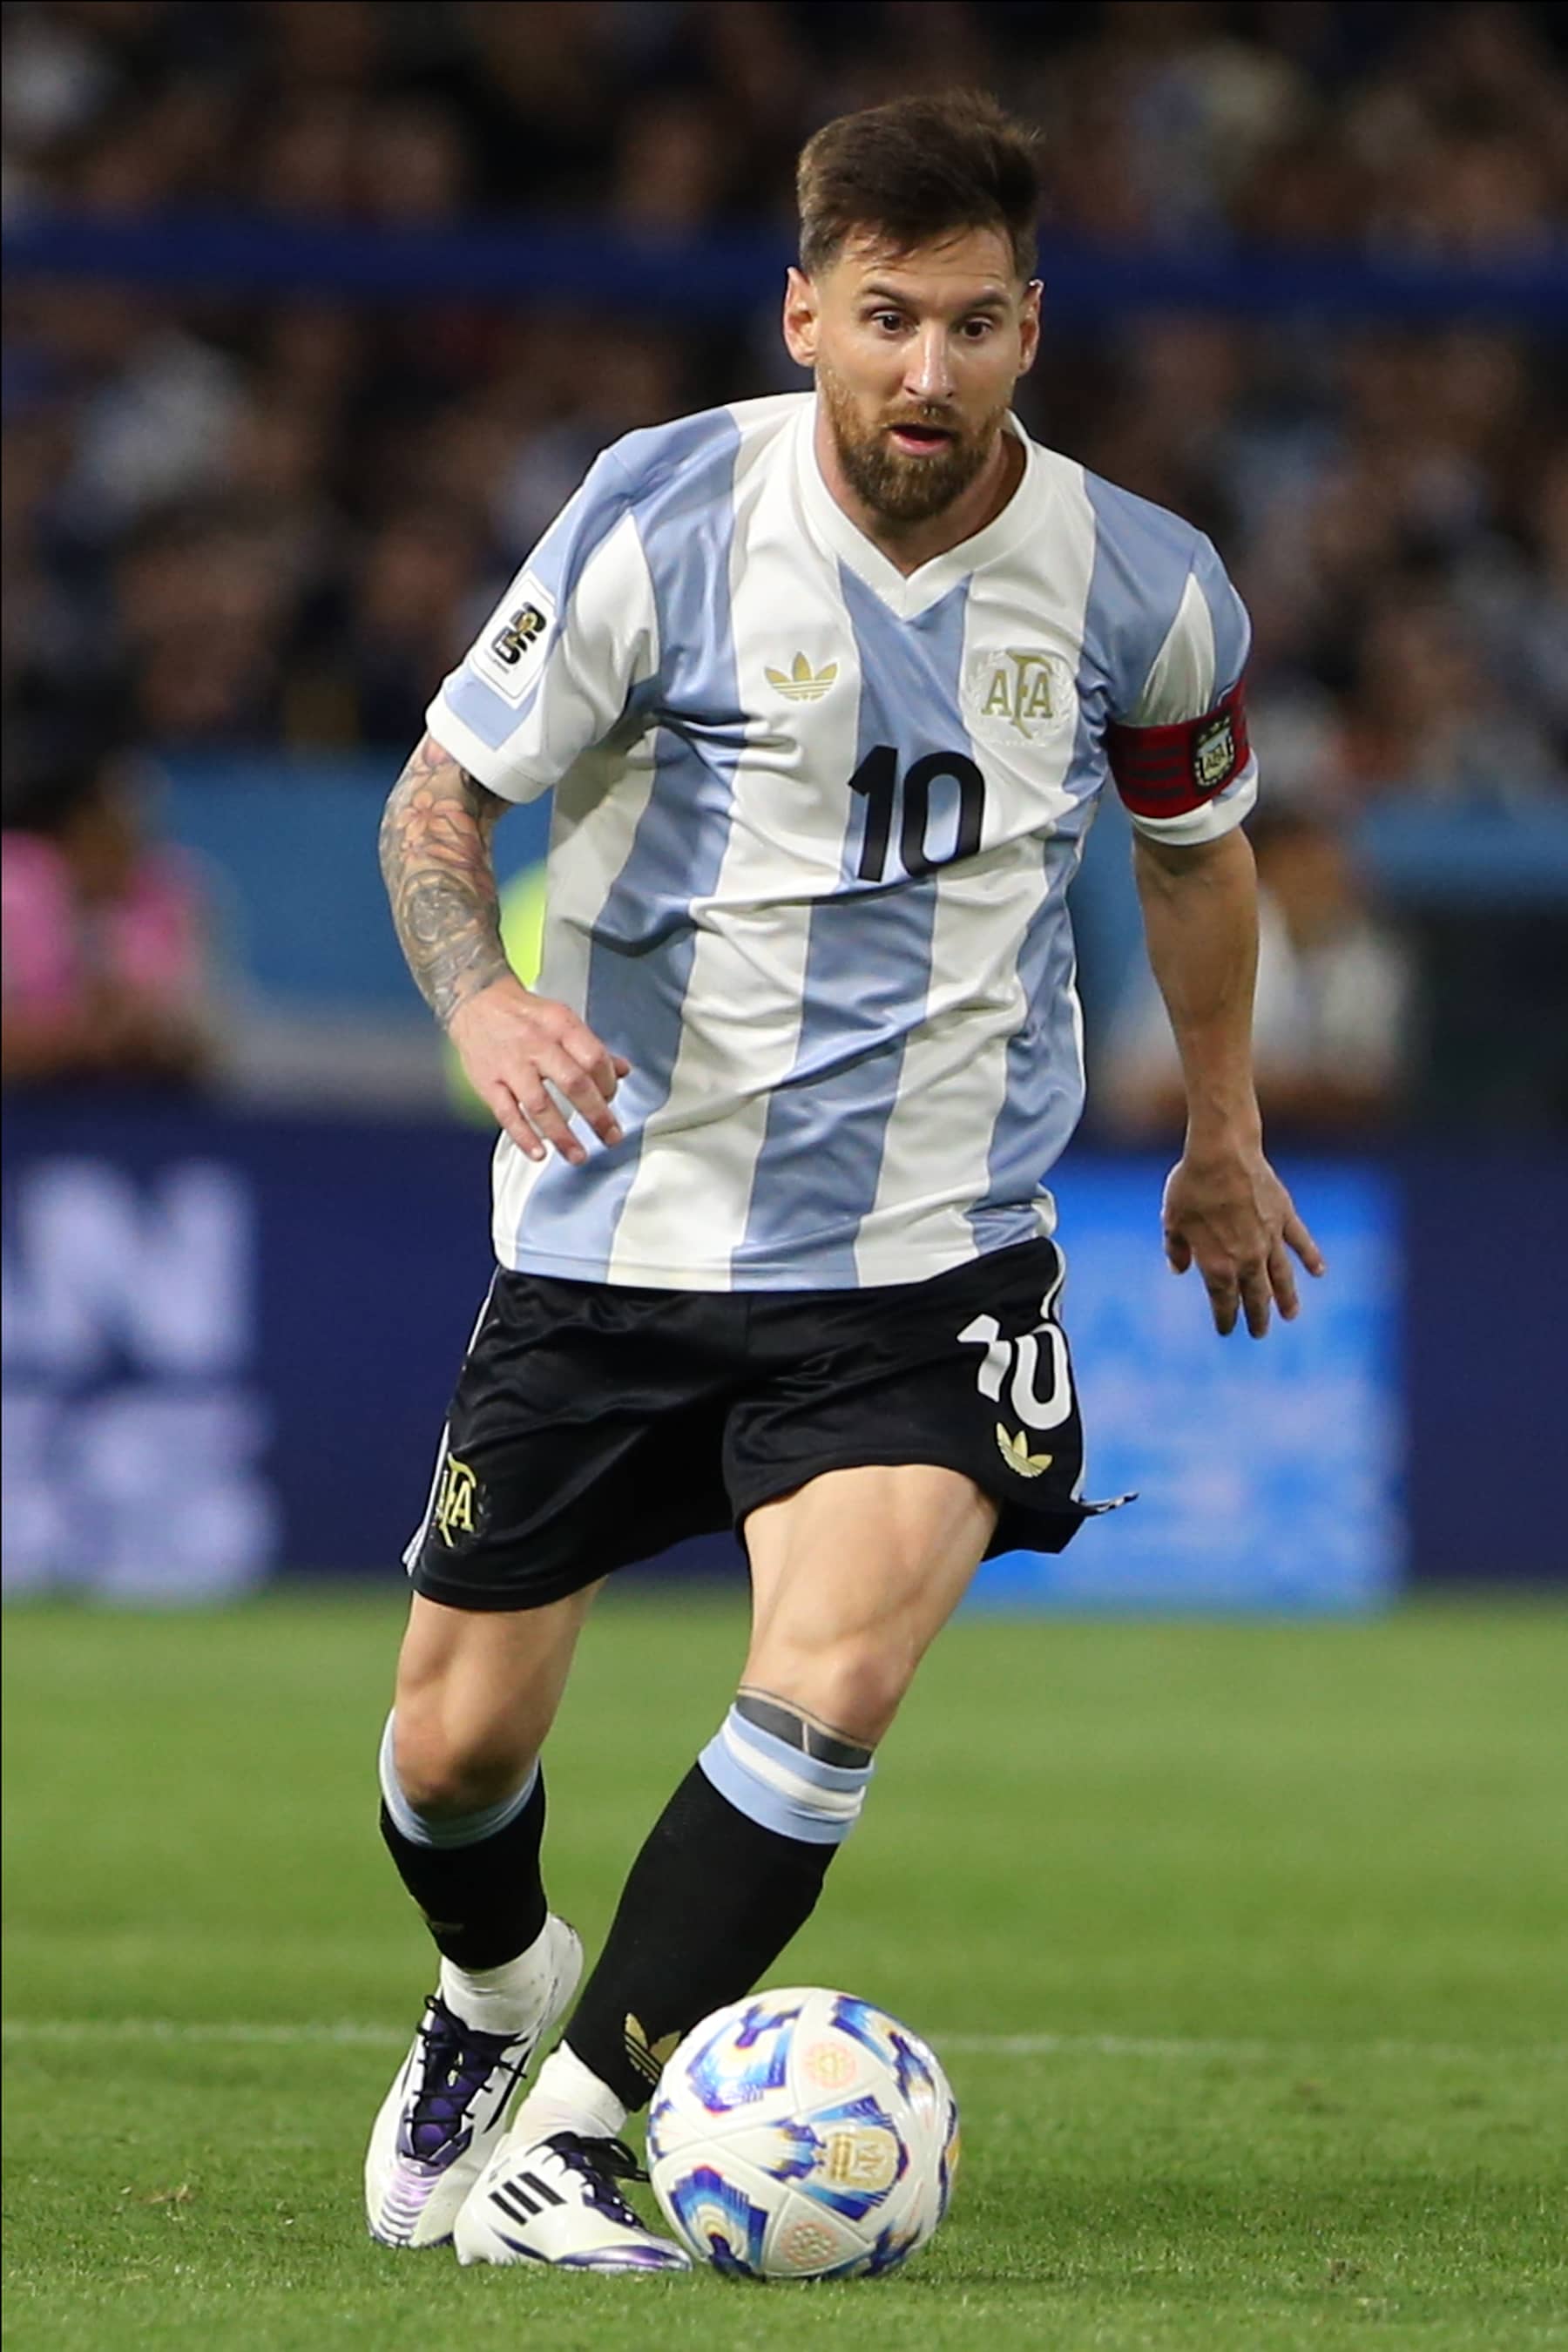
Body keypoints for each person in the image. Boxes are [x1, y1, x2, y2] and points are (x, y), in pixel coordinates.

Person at [366, 91, 1323, 2273]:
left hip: (927, 1251)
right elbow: (444, 800)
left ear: (1030, 326)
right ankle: (490, 1986)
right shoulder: (657, 512)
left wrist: (1224, 1120)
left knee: (836, 1682)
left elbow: (1198, 853)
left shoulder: (1145, 583)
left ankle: (573, 2139)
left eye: (974, 323)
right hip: (618, 1226)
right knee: (450, 1747)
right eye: (886, 317)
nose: (928, 370)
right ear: (806, 310)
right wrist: (478, 1007)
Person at [1104, 805, 1416, 1139]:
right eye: (1302, 867)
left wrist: (1277, 1088)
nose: (1321, 881)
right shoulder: (1207, 940)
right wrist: (1283, 1088)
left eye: (1329, 866)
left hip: (1326, 1155)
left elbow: (1375, 1087)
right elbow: (1139, 1090)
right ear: (1261, 871)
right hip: (1175, 1151)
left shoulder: (1367, 953)